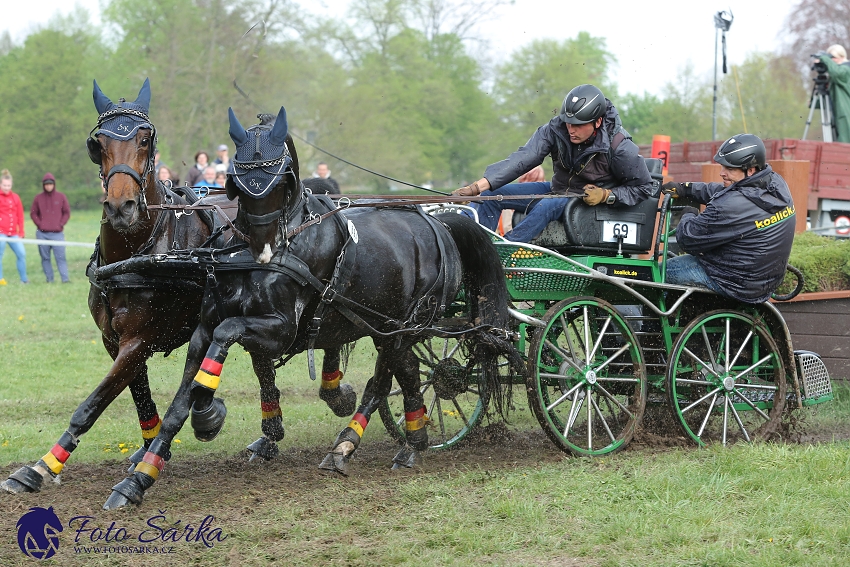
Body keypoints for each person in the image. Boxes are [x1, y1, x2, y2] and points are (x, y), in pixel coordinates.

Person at [454, 84, 653, 242]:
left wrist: (607, 195)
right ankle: (476, 244)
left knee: (547, 205)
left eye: (577, 125)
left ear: (598, 122)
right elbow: (523, 159)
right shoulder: (555, 129)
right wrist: (476, 187)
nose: (570, 130)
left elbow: (645, 187)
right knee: (491, 195)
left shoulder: (619, 145)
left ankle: (505, 251)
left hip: (589, 205)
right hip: (556, 190)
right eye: (568, 123)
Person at [661, 134, 795, 303]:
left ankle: (653, 327)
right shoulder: (776, 185)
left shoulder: (729, 206)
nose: (722, 173)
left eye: (730, 169)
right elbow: (730, 193)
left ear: (750, 170)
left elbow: (687, 239)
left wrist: (689, 213)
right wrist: (686, 189)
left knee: (658, 273)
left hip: (732, 282)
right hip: (762, 281)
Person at [31, 173, 71, 284]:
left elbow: (66, 212)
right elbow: (33, 213)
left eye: (50, 184)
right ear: (43, 185)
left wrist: (61, 224)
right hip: (42, 234)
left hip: (57, 234)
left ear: (54, 184)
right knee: (45, 258)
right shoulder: (38, 198)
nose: (48, 186)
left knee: (61, 257)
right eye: (46, 184)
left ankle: (65, 279)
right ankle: (50, 279)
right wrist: (40, 224)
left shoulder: (61, 197)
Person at [814, 45, 850, 143]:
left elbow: (837, 73)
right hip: (839, 113)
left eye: (832, 57)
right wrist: (814, 102)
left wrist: (824, 58)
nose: (830, 60)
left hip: (846, 114)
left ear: (842, 57)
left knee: (845, 142)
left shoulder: (846, 69)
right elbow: (832, 98)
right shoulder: (836, 74)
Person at [0, 169, 28, 285]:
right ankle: (1, 279)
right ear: (1, 184)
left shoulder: (16, 197)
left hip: (13, 233)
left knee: (21, 254)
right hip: (1, 232)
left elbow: (20, 215)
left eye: (9, 185)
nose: (7, 187)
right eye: (4, 185)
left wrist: (21, 232)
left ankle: (24, 279)